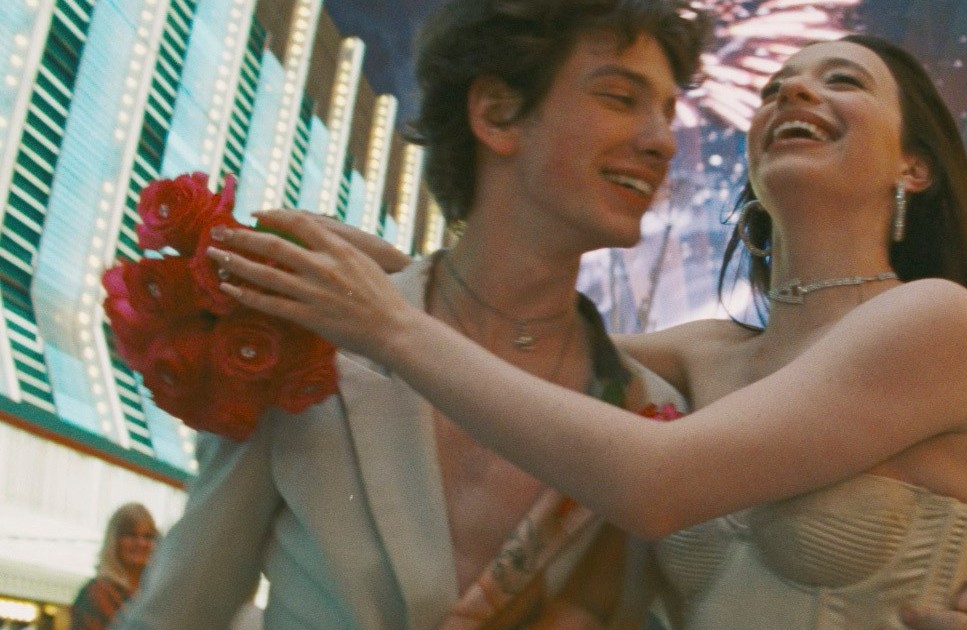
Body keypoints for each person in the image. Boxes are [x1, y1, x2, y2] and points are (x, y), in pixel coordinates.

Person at [207, 31, 967, 629]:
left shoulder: (934, 321)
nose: (791, 93)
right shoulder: (702, 351)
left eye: (843, 81)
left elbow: (653, 481)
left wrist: (385, 321)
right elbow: (512, 351)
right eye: (775, 87)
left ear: (914, 166)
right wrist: (388, 272)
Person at [116, 1, 708, 629]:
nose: (663, 142)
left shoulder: (652, 414)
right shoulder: (303, 342)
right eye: (620, 97)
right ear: (497, 113)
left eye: (668, 113)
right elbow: (180, 611)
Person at [71, 503, 158, 630]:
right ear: (114, 541)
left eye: (148, 536)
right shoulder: (97, 594)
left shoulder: (155, 596)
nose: (141, 543)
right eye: (132, 535)